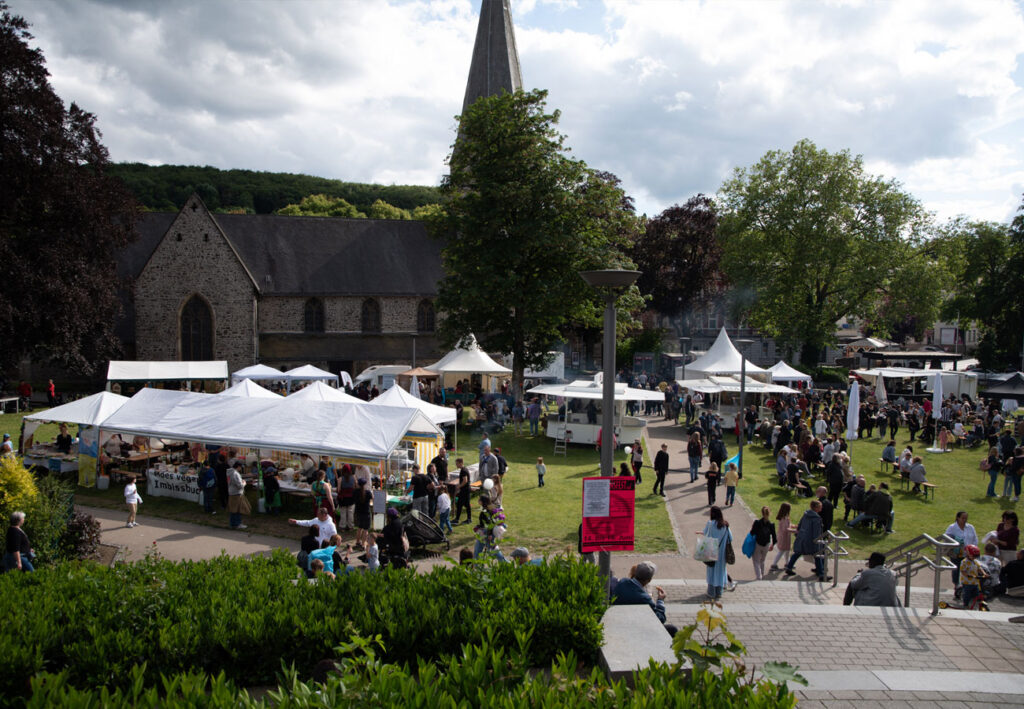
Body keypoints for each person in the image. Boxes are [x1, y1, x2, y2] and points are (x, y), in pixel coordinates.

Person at [611, 561, 677, 636]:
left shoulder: (622, 581)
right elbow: (660, 619)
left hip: (618, 623)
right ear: (649, 580)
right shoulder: (644, 598)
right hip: (637, 630)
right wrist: (660, 600)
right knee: (672, 629)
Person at [784, 499, 829, 582]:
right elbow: (816, 532)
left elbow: (800, 525)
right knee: (818, 554)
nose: (821, 508)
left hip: (802, 538)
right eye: (820, 507)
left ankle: (789, 567)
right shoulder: (816, 518)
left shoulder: (806, 514)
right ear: (816, 508)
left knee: (797, 553)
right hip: (811, 540)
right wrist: (818, 540)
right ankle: (821, 574)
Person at [700, 506, 732, 600]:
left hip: (711, 551)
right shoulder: (725, 525)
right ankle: (719, 592)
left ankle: (711, 592)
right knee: (721, 572)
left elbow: (706, 533)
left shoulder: (710, 524)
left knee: (711, 572)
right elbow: (730, 538)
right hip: (722, 554)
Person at [945, 510, 978, 591]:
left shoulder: (970, 527)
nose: (964, 520)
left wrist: (973, 549)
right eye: (963, 518)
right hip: (956, 553)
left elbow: (975, 539)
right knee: (956, 568)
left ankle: (966, 584)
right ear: (958, 518)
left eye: (966, 518)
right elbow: (946, 538)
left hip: (969, 553)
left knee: (968, 568)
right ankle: (956, 584)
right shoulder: (952, 527)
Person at [750, 506, 776, 580]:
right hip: (766, 544)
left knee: (756, 560)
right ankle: (762, 574)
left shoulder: (757, 523)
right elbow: (774, 537)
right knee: (762, 560)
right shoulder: (771, 525)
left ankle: (759, 577)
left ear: (762, 513)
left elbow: (752, 533)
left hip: (758, 543)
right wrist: (772, 545)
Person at [959, 544, 986, 610]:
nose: (974, 557)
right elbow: (962, 571)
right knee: (967, 594)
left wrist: (984, 573)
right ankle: (966, 604)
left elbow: (979, 568)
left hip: (975, 582)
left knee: (976, 593)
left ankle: (975, 604)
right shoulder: (964, 562)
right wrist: (968, 575)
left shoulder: (975, 561)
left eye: (976, 556)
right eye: (973, 556)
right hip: (967, 582)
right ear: (968, 554)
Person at [770, 502, 794, 571]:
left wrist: (793, 526)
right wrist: (794, 531)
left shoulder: (784, 518)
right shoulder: (784, 518)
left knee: (787, 550)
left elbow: (787, 526)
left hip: (784, 537)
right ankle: (774, 564)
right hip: (784, 538)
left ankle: (788, 563)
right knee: (782, 551)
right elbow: (785, 529)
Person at [226, 462, 249, 530]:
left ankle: (232, 523)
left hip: (232, 492)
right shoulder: (235, 474)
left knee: (233, 509)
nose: (241, 469)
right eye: (241, 467)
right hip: (236, 493)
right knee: (237, 509)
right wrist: (244, 483)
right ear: (238, 466)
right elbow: (239, 485)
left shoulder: (230, 472)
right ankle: (237, 524)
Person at [454, 458, 472, 525]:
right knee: (466, 505)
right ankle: (468, 519)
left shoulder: (463, 470)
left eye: (457, 463)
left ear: (461, 463)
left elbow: (465, 480)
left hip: (465, 490)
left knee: (460, 504)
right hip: (466, 490)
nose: (456, 465)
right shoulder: (464, 469)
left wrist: (459, 486)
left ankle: (457, 519)